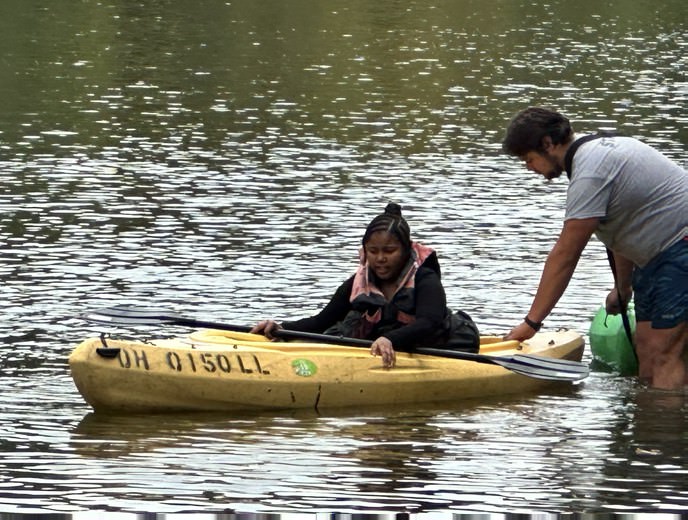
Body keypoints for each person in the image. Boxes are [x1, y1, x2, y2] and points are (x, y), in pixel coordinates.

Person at [501, 106, 688, 391]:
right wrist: (622, 288)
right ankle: (651, 416)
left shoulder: (591, 173)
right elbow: (623, 229)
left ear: (548, 144)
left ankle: (664, 420)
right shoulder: (595, 155)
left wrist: (532, 323)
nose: (529, 167)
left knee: (665, 352)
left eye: (529, 159)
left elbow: (565, 254)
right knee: (646, 346)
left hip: (680, 249)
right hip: (656, 258)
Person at [251, 202, 479, 368]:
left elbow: (429, 322)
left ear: (405, 250)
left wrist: (390, 339)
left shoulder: (425, 278)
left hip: (446, 344)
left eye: (389, 251)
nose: (380, 259)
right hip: (390, 341)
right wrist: (281, 328)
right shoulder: (359, 282)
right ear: (365, 251)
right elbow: (322, 321)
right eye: (373, 251)